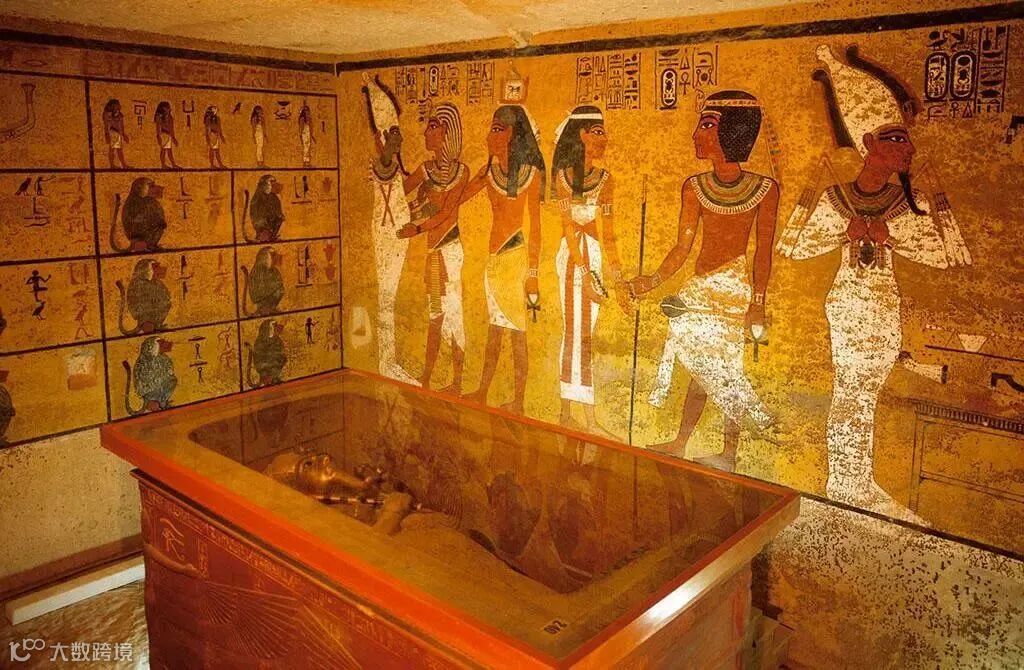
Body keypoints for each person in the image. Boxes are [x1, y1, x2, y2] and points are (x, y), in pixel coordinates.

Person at [776, 45, 970, 519]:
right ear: (869, 143)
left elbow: (950, 256)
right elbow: (793, 247)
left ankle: (854, 481)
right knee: (851, 393)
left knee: (867, 393)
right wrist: (840, 228)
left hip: (883, 308)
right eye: (896, 139)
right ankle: (845, 486)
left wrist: (893, 235)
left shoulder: (907, 201)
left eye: (906, 141)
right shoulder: (836, 196)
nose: (909, 149)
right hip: (847, 306)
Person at [629, 90, 780, 470]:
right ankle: (682, 442)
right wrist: (654, 279)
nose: (696, 134)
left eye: (707, 124)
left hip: (733, 288)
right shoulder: (694, 187)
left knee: (728, 371)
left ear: (733, 130)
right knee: (697, 367)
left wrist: (757, 305)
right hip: (699, 288)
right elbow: (683, 246)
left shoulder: (765, 190)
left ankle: (729, 452)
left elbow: (763, 251)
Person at [457, 105, 545, 414]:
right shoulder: (490, 174)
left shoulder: (530, 175)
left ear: (512, 134)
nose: (489, 136)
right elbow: (460, 197)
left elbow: (536, 228)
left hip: (515, 259)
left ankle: (518, 402)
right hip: (493, 262)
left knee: (518, 335)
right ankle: (483, 392)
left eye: (496, 129)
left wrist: (532, 273)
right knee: (494, 331)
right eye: (491, 129)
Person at [550, 106, 629, 433]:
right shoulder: (562, 177)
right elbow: (568, 228)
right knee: (576, 333)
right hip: (573, 259)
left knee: (584, 334)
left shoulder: (606, 180)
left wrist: (619, 280)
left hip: (592, 256)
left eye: (604, 132)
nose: (604, 139)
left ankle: (570, 414)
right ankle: (582, 417)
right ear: (581, 134)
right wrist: (585, 275)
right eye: (598, 132)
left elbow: (608, 234)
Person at [398, 102, 469, 394]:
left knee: (453, 316)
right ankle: (427, 378)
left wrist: (417, 228)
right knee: (435, 315)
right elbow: (400, 191)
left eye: (433, 127)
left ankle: (457, 381)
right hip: (433, 252)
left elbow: (447, 213)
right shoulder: (426, 170)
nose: (426, 133)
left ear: (446, 133)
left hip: (449, 249)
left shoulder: (461, 172)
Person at [362, 74, 418, 385]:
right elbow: (385, 167)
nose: (400, 139)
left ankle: (390, 361)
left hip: (398, 233)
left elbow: (401, 193)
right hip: (388, 234)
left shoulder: (394, 167)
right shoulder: (382, 164)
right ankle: (387, 363)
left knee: (392, 298)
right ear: (384, 138)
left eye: (399, 133)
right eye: (394, 134)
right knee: (387, 297)